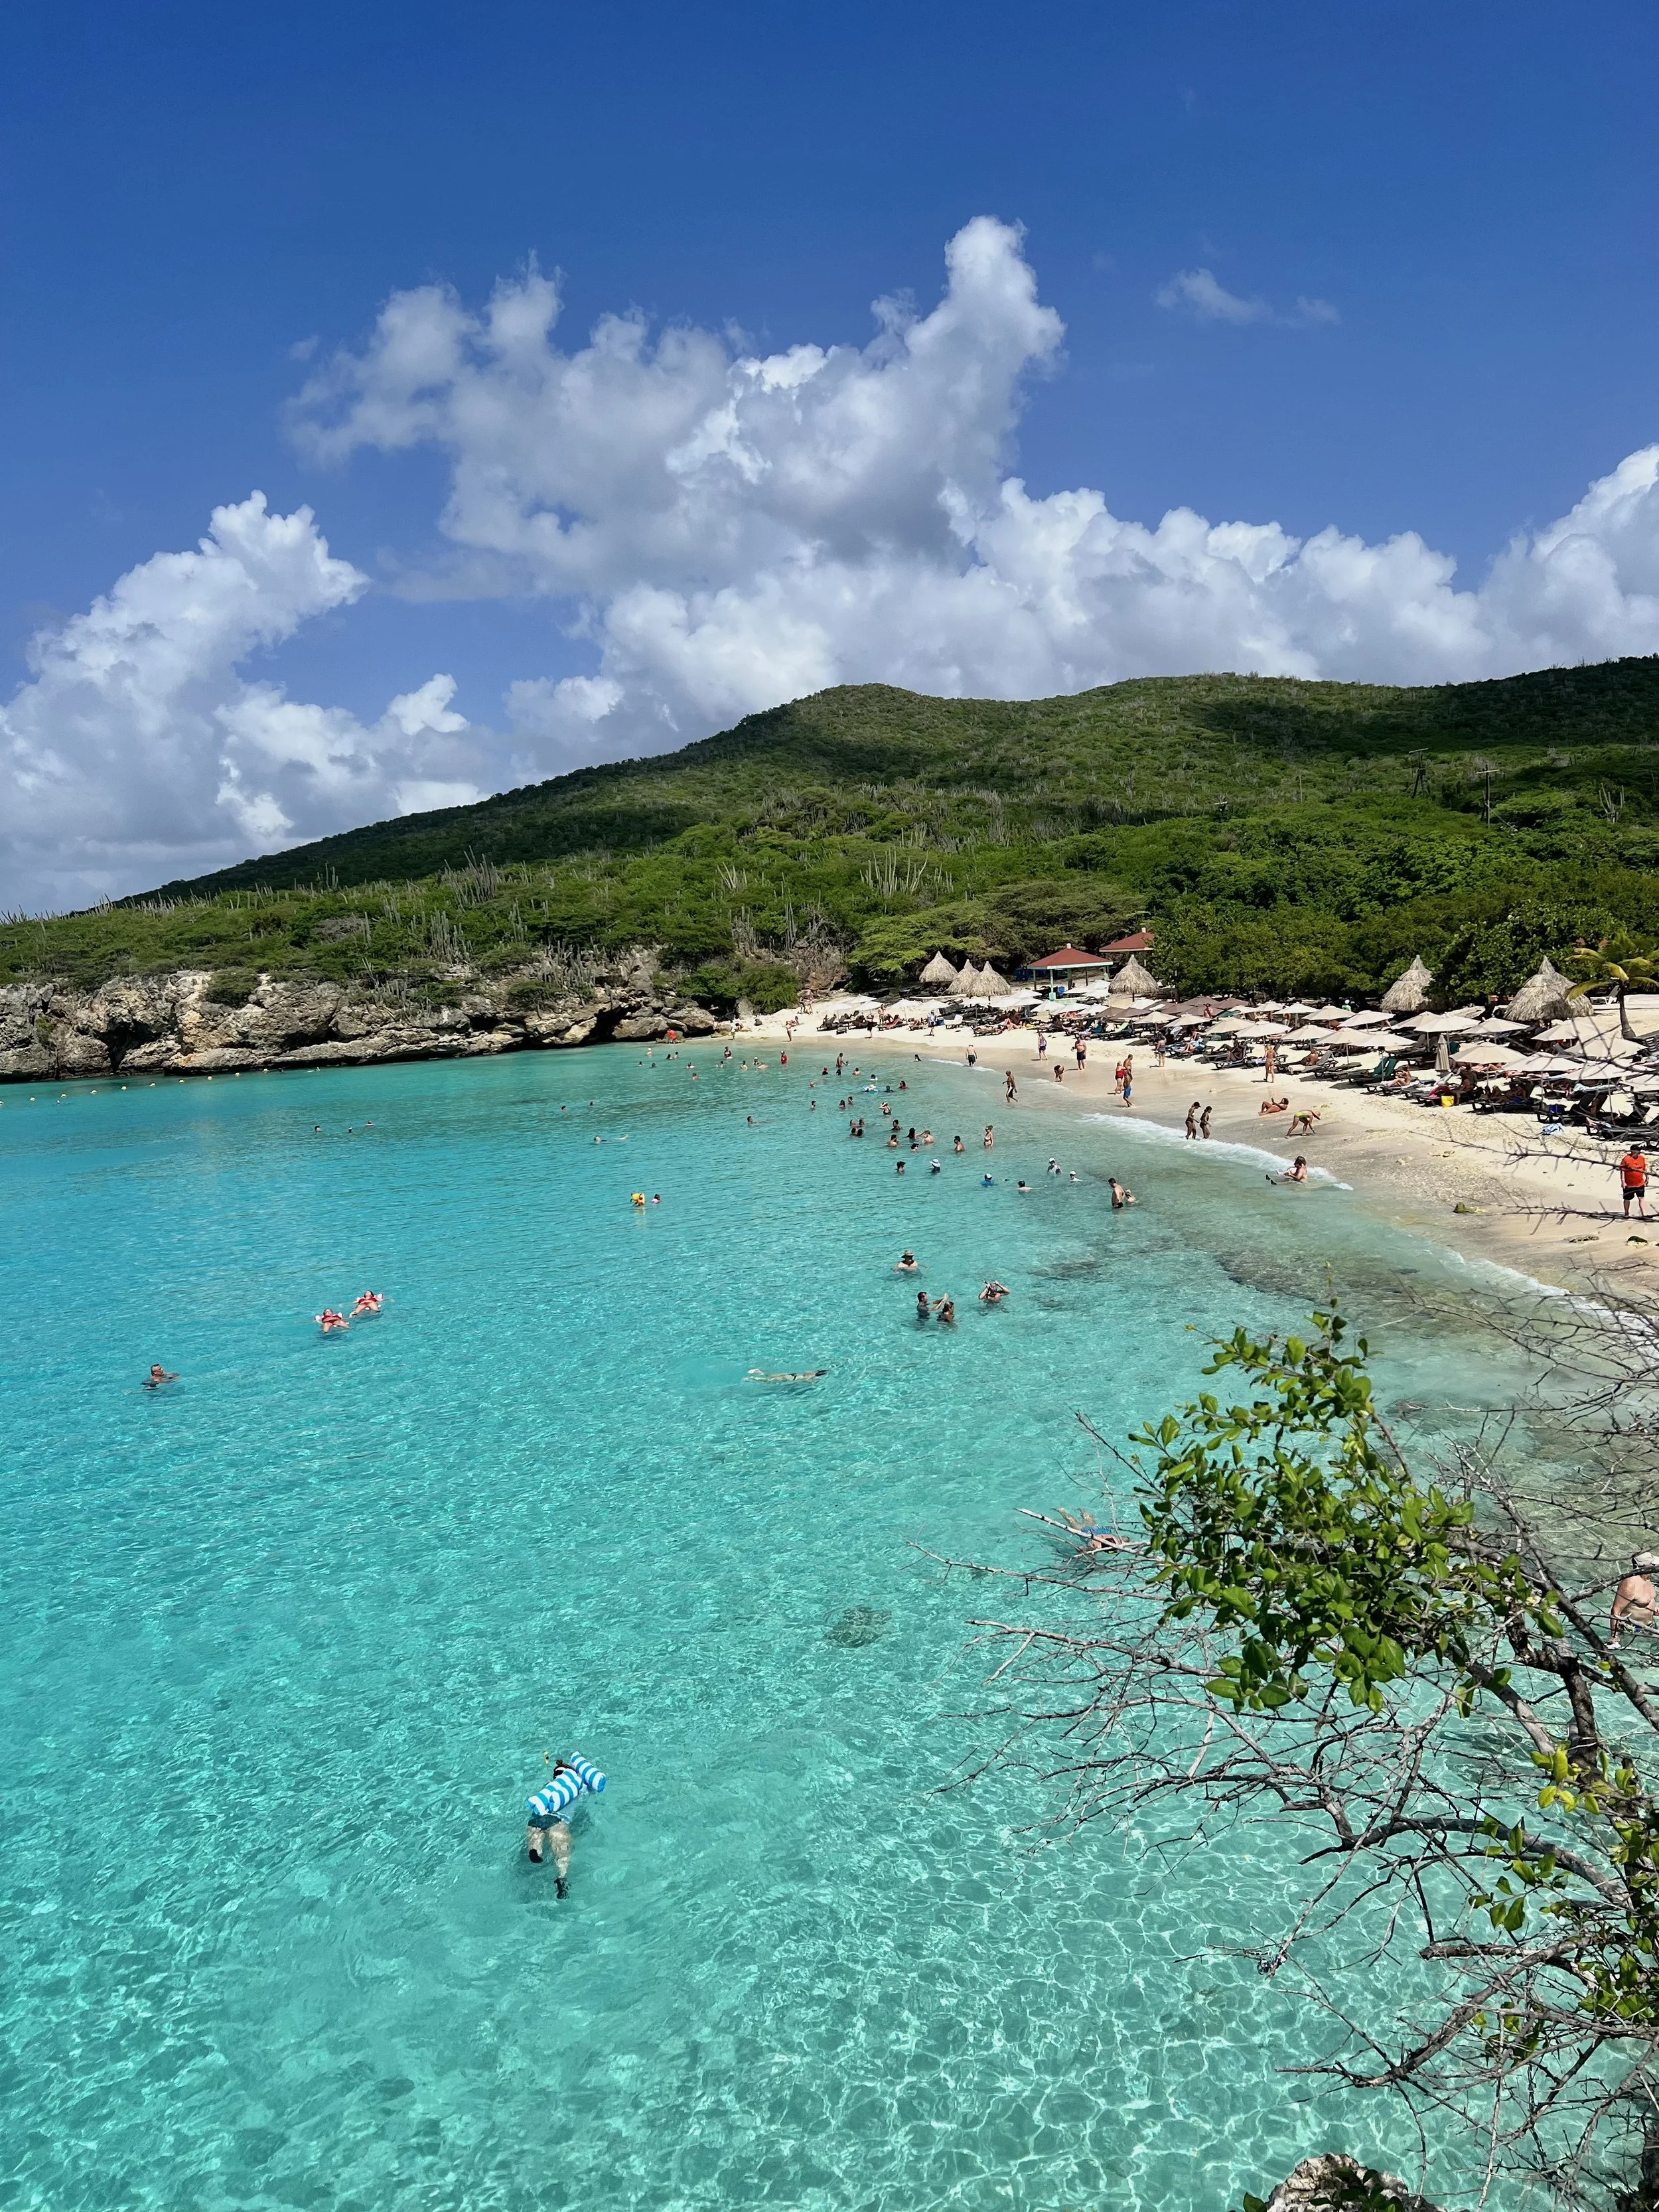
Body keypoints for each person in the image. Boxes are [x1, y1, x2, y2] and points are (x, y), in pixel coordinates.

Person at [1611, 1554, 1659, 1647]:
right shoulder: (1630, 1583)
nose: (1656, 1566)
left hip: (1649, 1628)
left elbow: (1643, 1601)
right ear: (1644, 1566)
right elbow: (1616, 1610)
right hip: (1630, 1632)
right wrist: (1614, 1637)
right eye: (1653, 1564)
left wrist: (1654, 1609)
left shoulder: (1647, 1579)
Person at [1621, 1145, 1650, 1219]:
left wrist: (1647, 1177)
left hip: (1640, 1183)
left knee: (1641, 1198)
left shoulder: (1641, 1158)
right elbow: (1623, 1171)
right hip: (1629, 1184)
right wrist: (1623, 1182)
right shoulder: (1626, 1159)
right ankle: (1626, 1213)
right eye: (1634, 1151)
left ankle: (1644, 1214)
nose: (1636, 1152)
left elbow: (1644, 1168)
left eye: (1637, 1151)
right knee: (1627, 1199)